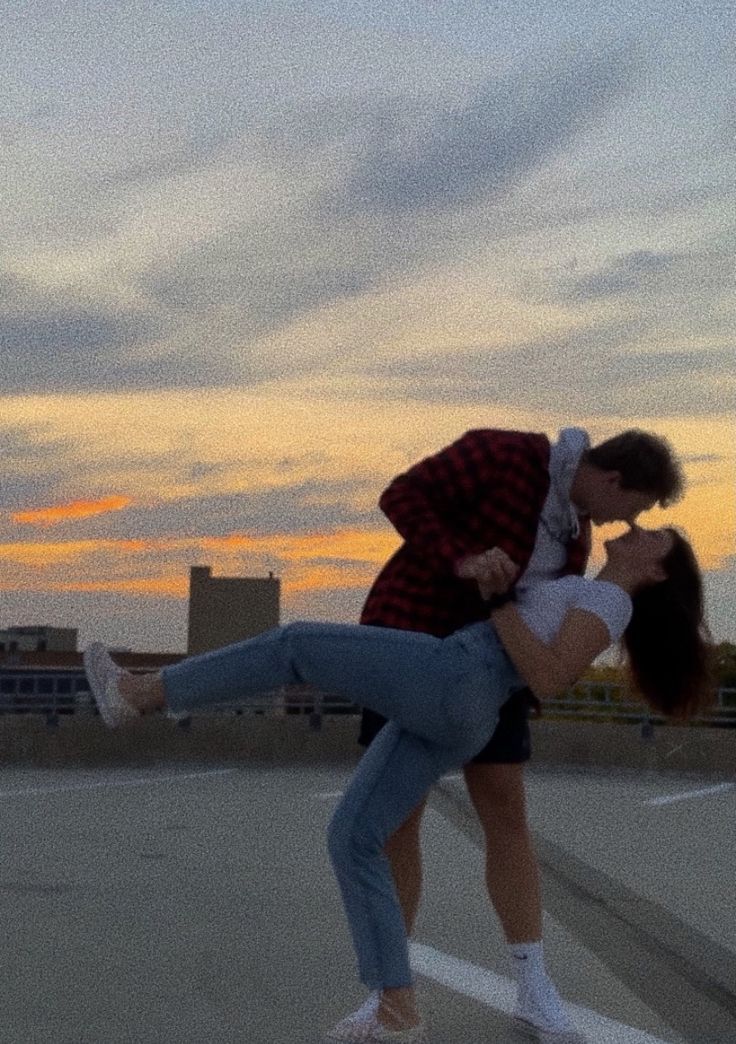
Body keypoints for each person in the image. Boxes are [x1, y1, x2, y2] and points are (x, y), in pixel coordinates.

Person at [84, 526, 711, 1044]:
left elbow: (547, 676)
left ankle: (142, 693)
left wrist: (498, 606)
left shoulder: (611, 602)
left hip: (460, 675)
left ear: (656, 571)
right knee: (354, 835)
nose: (637, 527)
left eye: (655, 536)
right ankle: (398, 1007)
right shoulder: (589, 592)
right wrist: (496, 581)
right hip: (466, 705)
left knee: (298, 641)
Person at [352, 425, 684, 1036]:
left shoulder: (578, 534)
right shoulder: (505, 453)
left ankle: (534, 985)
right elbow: (401, 495)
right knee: (400, 817)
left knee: (505, 812)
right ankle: (388, 992)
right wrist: (463, 557)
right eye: (632, 507)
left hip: (493, 670)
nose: (624, 523)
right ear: (612, 479)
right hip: (410, 639)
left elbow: (540, 621)